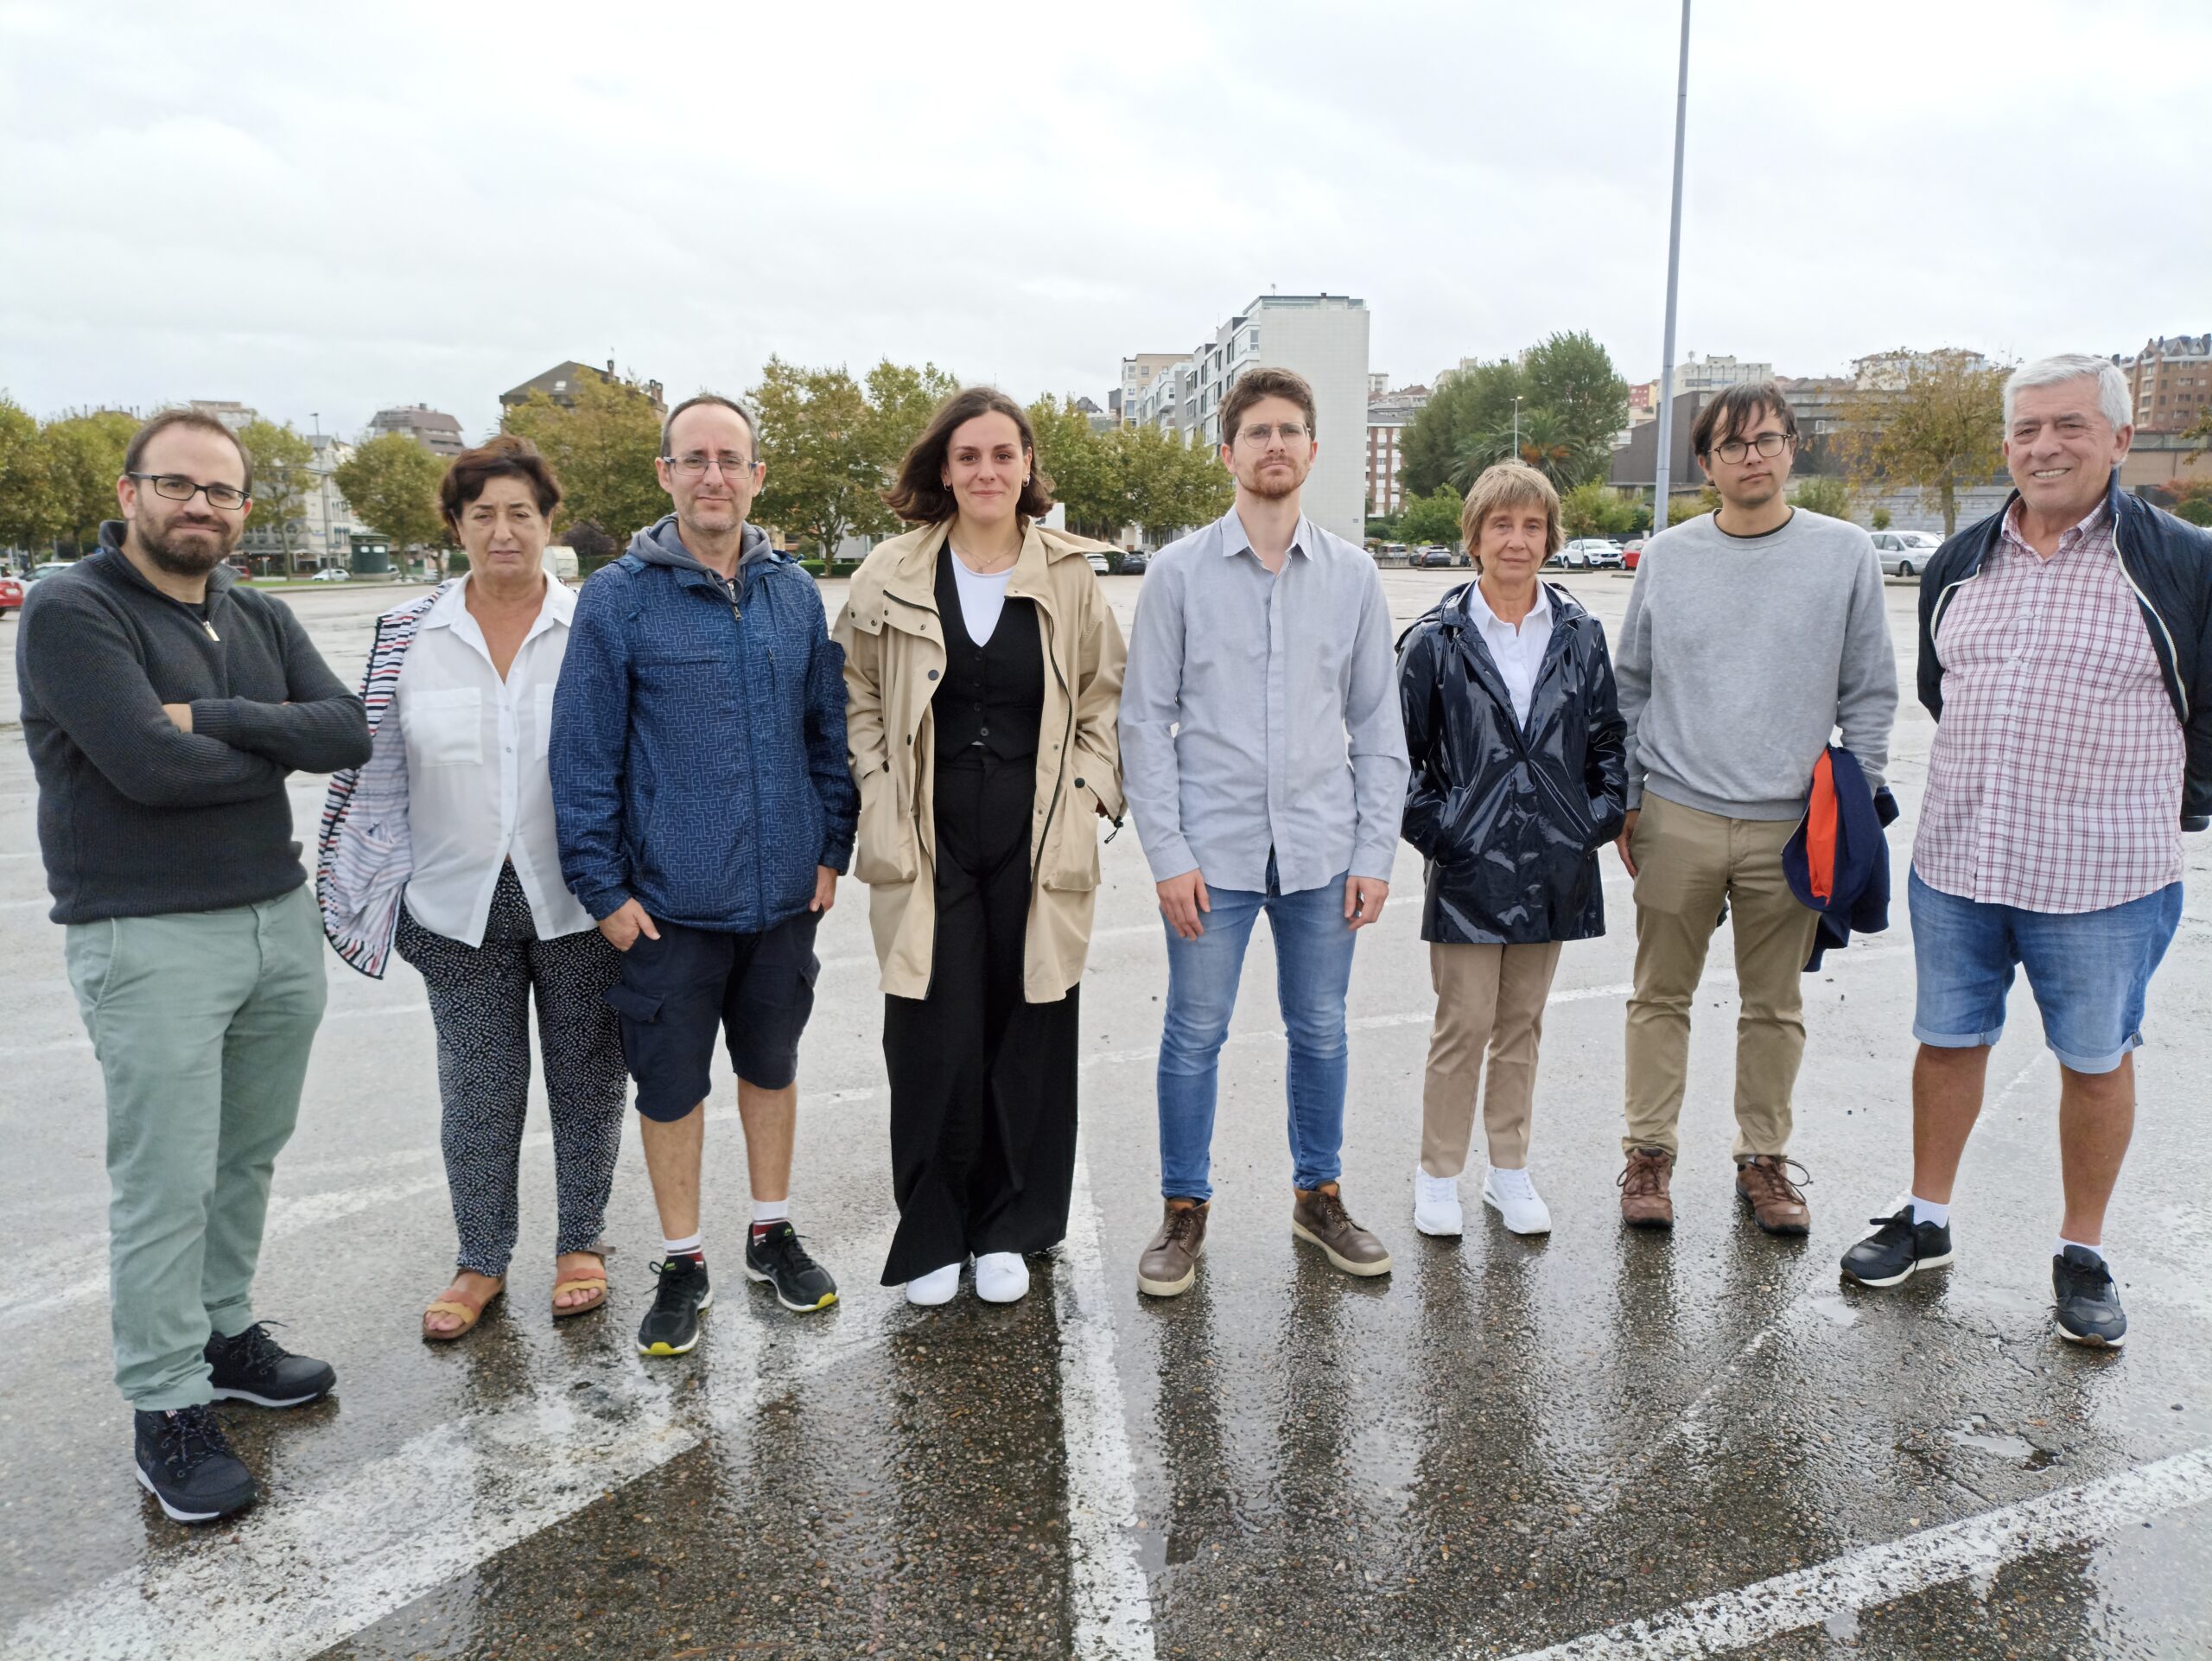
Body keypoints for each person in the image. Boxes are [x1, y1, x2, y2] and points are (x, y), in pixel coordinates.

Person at [16, 410, 371, 1523]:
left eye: (221, 492)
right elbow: (146, 767)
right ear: (129, 493)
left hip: (275, 918)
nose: (200, 507)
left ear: (244, 512)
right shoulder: (75, 609)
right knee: (165, 1177)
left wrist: (213, 714)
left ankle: (223, 1335)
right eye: (177, 485)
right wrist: (266, 737)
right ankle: (164, 1400)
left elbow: (347, 732)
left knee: (246, 1156)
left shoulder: (254, 610)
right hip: (148, 931)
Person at [1840, 354, 2212, 1349]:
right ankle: (1925, 1219)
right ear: (2006, 443)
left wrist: (2182, 803)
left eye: (2069, 426)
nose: (2043, 446)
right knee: (1946, 1042)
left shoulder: (2181, 560)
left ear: (2120, 439)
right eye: (2026, 429)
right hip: (1960, 863)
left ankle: (2080, 1250)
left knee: (2094, 1061)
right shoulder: (1963, 559)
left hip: (2104, 879)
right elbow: (1939, 689)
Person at [551, 394, 857, 1357]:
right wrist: (603, 891)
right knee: (670, 1088)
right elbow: (581, 754)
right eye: (695, 459)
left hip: (780, 901)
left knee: (771, 1067)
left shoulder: (794, 592)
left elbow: (826, 734)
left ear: (757, 474)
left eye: (731, 458)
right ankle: (682, 1258)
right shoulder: (618, 597)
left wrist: (829, 847)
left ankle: (770, 1230)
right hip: (667, 906)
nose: (714, 475)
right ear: (666, 475)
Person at [320, 436, 628, 1341]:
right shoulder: (409, 633)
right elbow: (376, 768)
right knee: (478, 1091)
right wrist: (387, 891)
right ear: (455, 525)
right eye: (483, 514)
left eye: (521, 513)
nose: (503, 531)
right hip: (455, 907)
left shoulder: (595, 626)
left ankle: (581, 1241)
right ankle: (480, 1257)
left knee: (587, 1079)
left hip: (579, 899)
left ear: (547, 523)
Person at [1119, 366, 1410, 1296]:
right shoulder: (1177, 574)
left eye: (1289, 430)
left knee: (1320, 1030)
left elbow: (1379, 727)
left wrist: (1373, 853)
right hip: (1213, 854)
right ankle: (1182, 1210)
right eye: (1256, 431)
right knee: (1194, 1033)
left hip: (1323, 852)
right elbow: (1141, 723)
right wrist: (1167, 854)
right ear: (1228, 452)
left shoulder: (1354, 577)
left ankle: (1317, 1194)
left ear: (1314, 451)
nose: (1274, 444)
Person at [836, 388, 1126, 1306]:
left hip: (1038, 835)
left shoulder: (1071, 573)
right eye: (969, 456)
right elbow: (859, 698)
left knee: (1026, 1025)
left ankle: (1010, 1223)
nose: (987, 470)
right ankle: (932, 1227)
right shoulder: (891, 570)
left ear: (1029, 465)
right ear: (944, 468)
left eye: (1004, 454)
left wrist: (1086, 800)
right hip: (928, 836)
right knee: (931, 1031)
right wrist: (878, 795)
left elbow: (1103, 699)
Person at [1611, 381, 1897, 1233]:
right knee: (1658, 996)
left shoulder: (1844, 553)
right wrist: (1629, 798)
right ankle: (1647, 1157)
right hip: (1678, 812)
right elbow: (1632, 683)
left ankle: (1762, 1161)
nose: (1753, 457)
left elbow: (1869, 690)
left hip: (1792, 825)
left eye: (1767, 439)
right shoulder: (1667, 556)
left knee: (1773, 1004)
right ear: (1706, 463)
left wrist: (1861, 798)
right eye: (1733, 446)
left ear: (1791, 447)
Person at [1396, 463, 1626, 1238]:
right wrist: (1447, 832)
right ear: (1475, 536)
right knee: (1463, 1022)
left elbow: (1606, 740)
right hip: (1468, 866)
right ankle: (1438, 1175)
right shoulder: (1436, 639)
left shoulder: (1580, 633)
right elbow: (1403, 761)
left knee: (1523, 1023)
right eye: (1502, 525)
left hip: (1555, 859)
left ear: (1550, 538)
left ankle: (1509, 1170)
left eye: (1532, 526)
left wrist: (1591, 818)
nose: (1518, 541)